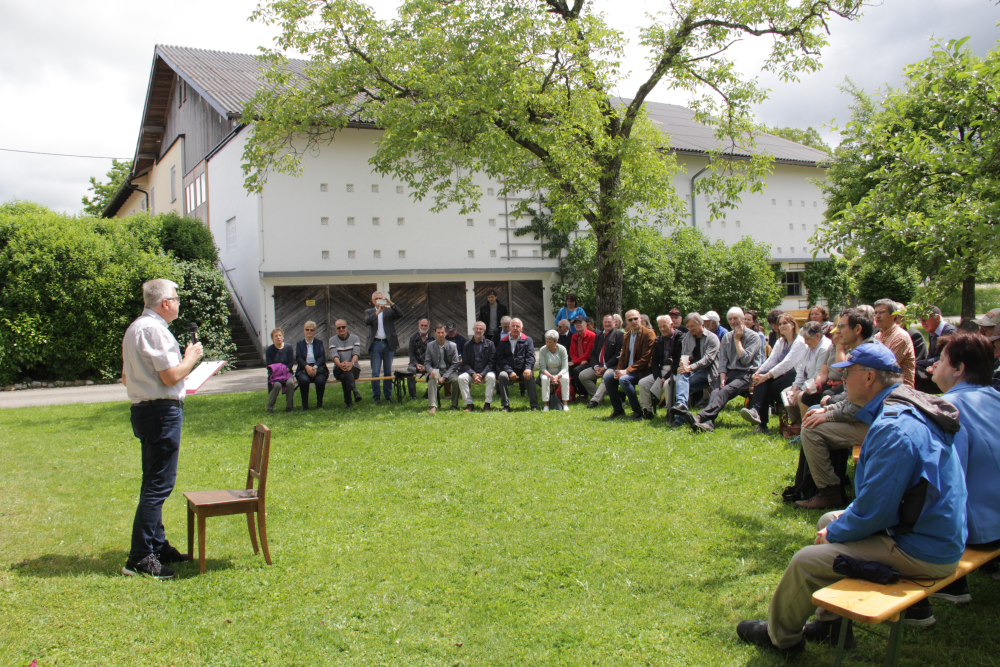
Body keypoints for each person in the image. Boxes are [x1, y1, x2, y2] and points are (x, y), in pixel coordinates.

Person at [736, 343, 967, 654]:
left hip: (926, 547)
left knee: (806, 560)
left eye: (848, 375)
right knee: (828, 518)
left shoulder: (893, 428)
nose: (842, 380)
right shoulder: (905, 406)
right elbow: (885, 498)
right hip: (932, 530)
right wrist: (836, 525)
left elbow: (877, 512)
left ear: (869, 377)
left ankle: (782, 639)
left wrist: (834, 534)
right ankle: (831, 625)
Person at [121, 278, 203, 579]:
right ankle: (140, 558)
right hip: (160, 413)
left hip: (146, 410)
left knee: (153, 481)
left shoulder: (136, 328)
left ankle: (156, 544)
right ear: (165, 303)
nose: (179, 302)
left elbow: (126, 377)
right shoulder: (154, 330)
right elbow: (170, 377)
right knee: (158, 485)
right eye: (177, 297)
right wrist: (190, 359)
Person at [929, 333, 1000, 606]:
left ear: (959, 369)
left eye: (941, 360)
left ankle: (947, 587)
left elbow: (946, 481)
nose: (934, 366)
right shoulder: (994, 397)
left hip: (984, 528)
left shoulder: (949, 408)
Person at [793, 308, 876, 510]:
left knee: (811, 428)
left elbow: (860, 406)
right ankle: (820, 487)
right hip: (863, 418)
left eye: (842, 326)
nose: (836, 330)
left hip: (874, 425)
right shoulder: (860, 352)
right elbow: (851, 398)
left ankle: (830, 492)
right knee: (813, 416)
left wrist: (828, 414)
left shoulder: (868, 356)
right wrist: (826, 411)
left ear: (857, 329)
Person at [684, 307, 762, 433]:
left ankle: (701, 416)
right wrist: (722, 378)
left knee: (726, 390)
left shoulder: (754, 337)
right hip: (729, 373)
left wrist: (737, 340)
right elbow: (723, 361)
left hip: (747, 374)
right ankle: (708, 424)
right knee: (716, 391)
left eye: (736, 318)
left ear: (742, 319)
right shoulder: (726, 337)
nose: (733, 321)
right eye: (730, 319)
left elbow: (745, 360)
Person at [741, 314, 807, 434]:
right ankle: (757, 416)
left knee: (764, 385)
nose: (782, 326)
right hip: (781, 375)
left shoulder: (800, 342)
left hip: (796, 376)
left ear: (793, 325)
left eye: (785, 323)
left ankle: (760, 421)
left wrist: (766, 376)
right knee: (762, 382)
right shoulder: (781, 341)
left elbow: (787, 363)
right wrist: (759, 372)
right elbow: (772, 360)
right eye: (780, 324)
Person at [604, 309, 656, 420]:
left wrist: (626, 371)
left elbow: (645, 359)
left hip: (643, 371)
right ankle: (618, 410)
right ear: (626, 321)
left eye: (636, 318)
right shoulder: (626, 336)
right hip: (629, 370)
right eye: (630, 320)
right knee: (608, 378)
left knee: (624, 380)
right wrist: (618, 370)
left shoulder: (649, 334)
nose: (633, 321)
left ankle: (637, 411)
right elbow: (623, 357)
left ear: (640, 319)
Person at [670, 313, 720, 426]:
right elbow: (684, 356)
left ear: (701, 324)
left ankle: (679, 419)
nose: (690, 329)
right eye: (688, 327)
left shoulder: (712, 338)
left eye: (692, 326)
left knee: (682, 383)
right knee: (681, 375)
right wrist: (683, 364)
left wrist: (689, 367)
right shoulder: (687, 338)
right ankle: (681, 406)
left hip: (708, 372)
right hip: (692, 371)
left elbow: (708, 359)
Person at [783, 322, 833, 427]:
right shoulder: (809, 346)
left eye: (807, 339)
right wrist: (796, 386)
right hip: (806, 382)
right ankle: (796, 425)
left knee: (801, 396)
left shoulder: (824, 348)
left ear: (818, 336)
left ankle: (805, 427)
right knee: (786, 393)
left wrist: (802, 389)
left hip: (819, 384)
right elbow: (801, 369)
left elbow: (818, 374)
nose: (805, 342)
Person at [638, 315, 683, 419]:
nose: (662, 329)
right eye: (660, 327)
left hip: (676, 370)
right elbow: (655, 361)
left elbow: (677, 362)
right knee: (643, 383)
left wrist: (665, 378)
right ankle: (647, 411)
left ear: (671, 325)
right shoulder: (658, 340)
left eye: (665, 326)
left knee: (668, 384)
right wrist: (658, 377)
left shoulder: (680, 338)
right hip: (661, 370)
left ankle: (669, 411)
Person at [364, 290, 403, 403]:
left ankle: (388, 395)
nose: (378, 300)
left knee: (387, 371)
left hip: (388, 343)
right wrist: (378, 311)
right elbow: (367, 321)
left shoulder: (389, 311)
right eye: (376, 299)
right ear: (372, 301)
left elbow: (400, 314)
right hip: (375, 344)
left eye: (380, 298)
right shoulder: (370, 311)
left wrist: (391, 303)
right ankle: (376, 396)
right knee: (375, 372)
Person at [581, 315, 624, 407]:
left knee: (606, 376)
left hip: (613, 366)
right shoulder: (599, 335)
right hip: (599, 366)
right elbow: (593, 354)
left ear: (614, 322)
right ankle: (600, 395)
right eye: (605, 322)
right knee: (583, 375)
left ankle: (595, 400)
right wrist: (596, 366)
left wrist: (604, 367)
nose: (607, 324)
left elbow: (618, 355)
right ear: (602, 323)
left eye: (609, 322)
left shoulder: (619, 335)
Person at [496, 318, 538, 411]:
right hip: (508, 371)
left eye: (517, 326)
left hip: (523, 371)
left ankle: (534, 405)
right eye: (513, 326)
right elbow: (500, 358)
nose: (515, 328)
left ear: (522, 328)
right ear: (509, 328)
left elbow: (530, 356)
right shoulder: (503, 341)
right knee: (502, 375)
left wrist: (528, 368)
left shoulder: (528, 340)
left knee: (530, 375)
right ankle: (505, 405)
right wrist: (509, 371)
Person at [872, 299, 916, 388]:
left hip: (900, 389)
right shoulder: (877, 337)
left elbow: (885, 367)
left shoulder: (901, 337)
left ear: (894, 315)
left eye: (881, 312)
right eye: (875, 313)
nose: (877, 316)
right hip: (880, 386)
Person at [458, 321, 497, 411]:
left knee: (491, 376)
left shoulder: (490, 344)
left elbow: (492, 362)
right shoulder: (467, 345)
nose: (478, 330)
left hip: (485, 373)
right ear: (473, 329)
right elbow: (465, 363)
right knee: (461, 378)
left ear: (484, 330)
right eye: (477, 328)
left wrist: (482, 374)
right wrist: (473, 374)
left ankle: (487, 404)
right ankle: (469, 404)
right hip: (472, 374)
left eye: (481, 329)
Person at [425, 323, 460, 414]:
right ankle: (433, 406)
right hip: (436, 370)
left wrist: (444, 376)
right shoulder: (430, 346)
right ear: (435, 333)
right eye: (438, 332)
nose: (441, 335)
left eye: (442, 332)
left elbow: (455, 364)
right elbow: (427, 362)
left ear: (445, 333)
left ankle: (454, 404)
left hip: (449, 370)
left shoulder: (453, 346)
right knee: (432, 379)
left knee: (456, 380)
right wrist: (430, 370)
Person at [329, 319, 363, 408]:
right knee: (345, 370)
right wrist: (340, 364)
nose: (341, 329)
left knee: (345, 376)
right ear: (335, 329)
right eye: (338, 328)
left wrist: (351, 363)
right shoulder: (332, 340)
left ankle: (348, 402)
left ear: (347, 327)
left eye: (343, 327)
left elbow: (356, 353)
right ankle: (355, 390)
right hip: (338, 368)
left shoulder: (355, 338)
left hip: (354, 367)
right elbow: (334, 355)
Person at [295, 321, 328, 410]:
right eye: (307, 329)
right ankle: (305, 405)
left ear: (314, 331)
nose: (309, 331)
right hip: (304, 368)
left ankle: (320, 403)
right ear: (304, 331)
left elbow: (322, 357)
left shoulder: (319, 343)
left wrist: (315, 367)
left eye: (311, 330)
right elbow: (299, 358)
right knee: (304, 380)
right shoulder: (299, 344)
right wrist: (307, 367)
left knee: (320, 381)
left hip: (318, 368)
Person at [539, 329, 571, 412]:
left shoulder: (562, 349)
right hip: (547, 372)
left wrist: (557, 376)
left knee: (565, 379)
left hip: (560, 372)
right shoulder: (543, 350)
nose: (548, 344)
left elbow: (565, 367)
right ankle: (546, 404)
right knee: (545, 379)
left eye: (550, 342)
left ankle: (565, 404)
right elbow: (542, 368)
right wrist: (551, 376)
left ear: (556, 341)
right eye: (546, 342)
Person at [265, 327, 296, 414]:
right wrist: (278, 369)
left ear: (283, 337)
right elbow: (268, 365)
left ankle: (289, 406)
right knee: (277, 385)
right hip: (275, 374)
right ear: (272, 338)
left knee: (290, 383)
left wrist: (287, 369)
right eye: (276, 336)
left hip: (287, 372)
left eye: (280, 335)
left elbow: (291, 362)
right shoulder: (269, 350)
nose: (278, 337)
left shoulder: (288, 347)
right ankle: (270, 407)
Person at [568, 318, 596, 399]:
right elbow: (572, 352)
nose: (578, 324)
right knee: (569, 368)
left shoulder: (592, 335)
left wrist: (575, 362)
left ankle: (583, 394)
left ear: (585, 324)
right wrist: (577, 361)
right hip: (579, 362)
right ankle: (573, 391)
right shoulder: (574, 336)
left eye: (580, 322)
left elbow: (589, 353)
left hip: (590, 362)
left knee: (576, 370)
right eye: (576, 323)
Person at [406, 318, 431, 399]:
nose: (423, 327)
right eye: (422, 325)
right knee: (410, 371)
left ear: (429, 327)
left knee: (436, 371)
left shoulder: (432, 339)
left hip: (427, 363)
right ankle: (413, 396)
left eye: (425, 325)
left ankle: (428, 394)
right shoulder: (413, 338)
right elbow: (411, 353)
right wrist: (416, 364)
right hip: (415, 363)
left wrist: (426, 366)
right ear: (418, 326)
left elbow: (433, 355)